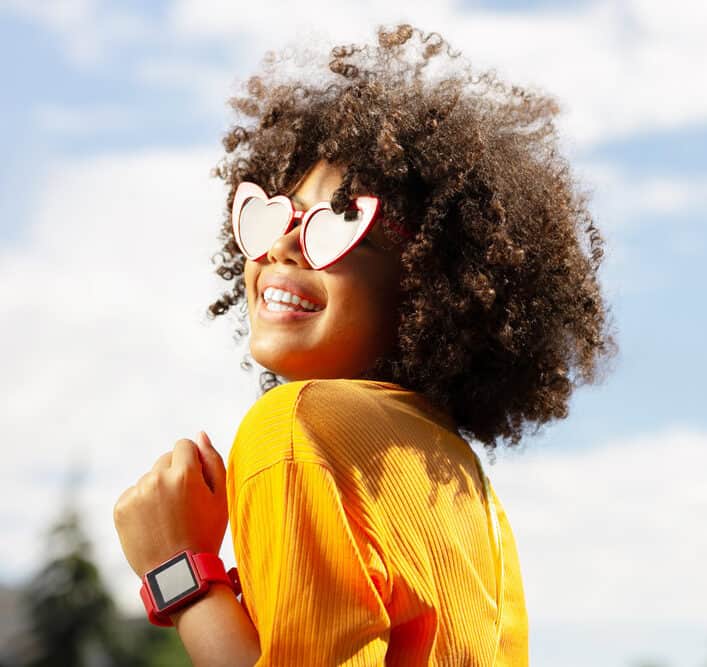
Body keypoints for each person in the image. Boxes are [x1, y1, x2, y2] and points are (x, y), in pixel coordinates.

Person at [113, 23, 616, 666]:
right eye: (276, 212)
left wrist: (179, 571)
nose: (283, 244)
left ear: (430, 279)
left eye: (338, 224)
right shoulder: (460, 480)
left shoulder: (298, 428)